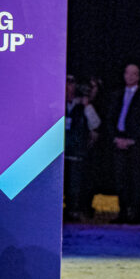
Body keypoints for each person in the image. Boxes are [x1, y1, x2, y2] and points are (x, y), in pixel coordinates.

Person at [106, 64, 140, 223]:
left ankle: (136, 214)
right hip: (118, 140)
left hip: (135, 144)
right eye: (128, 73)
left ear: (138, 77)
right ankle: (123, 212)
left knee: (136, 179)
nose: (130, 76)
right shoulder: (116, 95)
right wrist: (115, 138)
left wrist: (131, 139)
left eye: (134, 74)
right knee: (120, 178)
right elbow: (110, 118)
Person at [64, 75, 101, 221]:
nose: (68, 86)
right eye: (66, 83)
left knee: (76, 184)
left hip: (77, 152)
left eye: (71, 83)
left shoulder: (83, 106)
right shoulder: (57, 104)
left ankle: (75, 209)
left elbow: (96, 124)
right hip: (60, 153)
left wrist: (87, 105)